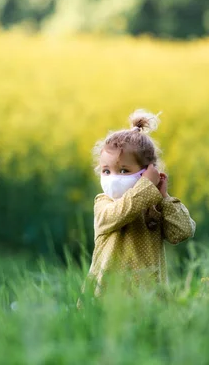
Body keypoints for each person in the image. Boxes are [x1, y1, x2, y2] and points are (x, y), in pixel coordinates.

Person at [83, 109, 196, 298]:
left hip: (148, 296)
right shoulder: (103, 203)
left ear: (146, 172)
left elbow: (183, 231)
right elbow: (121, 212)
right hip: (108, 296)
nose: (113, 178)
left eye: (124, 170)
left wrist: (164, 197)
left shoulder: (153, 205)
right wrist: (146, 187)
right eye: (106, 171)